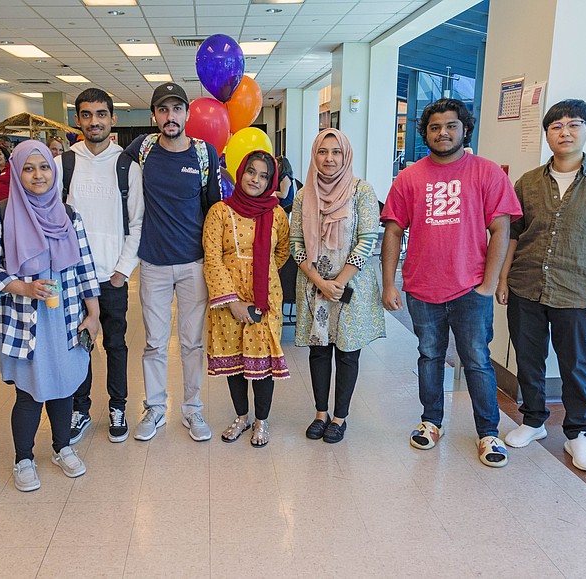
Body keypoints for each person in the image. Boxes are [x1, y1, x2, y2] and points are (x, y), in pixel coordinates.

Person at [381, 98, 522, 468]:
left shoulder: (487, 173)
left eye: (451, 126)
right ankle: (431, 421)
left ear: (465, 129)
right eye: (434, 127)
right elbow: (393, 232)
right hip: (422, 289)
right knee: (429, 357)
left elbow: (501, 229)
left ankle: (488, 431)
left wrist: (489, 284)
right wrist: (388, 285)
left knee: (476, 361)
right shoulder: (409, 178)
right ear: (424, 133)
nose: (443, 133)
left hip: (470, 290)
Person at [496, 100, 586, 472]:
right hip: (526, 286)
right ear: (547, 135)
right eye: (556, 127)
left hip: (575, 291)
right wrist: (504, 277)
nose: (565, 132)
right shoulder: (527, 182)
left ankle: (577, 434)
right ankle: (534, 421)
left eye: (574, 125)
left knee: (575, 366)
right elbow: (513, 235)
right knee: (529, 360)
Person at [0, 140, 101, 491]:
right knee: (30, 393)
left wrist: (93, 315)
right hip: (24, 319)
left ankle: (62, 447)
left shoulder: (69, 214)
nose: (37, 175)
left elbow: (85, 268)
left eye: (44, 167)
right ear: (16, 172)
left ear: (54, 170)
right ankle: (24, 459)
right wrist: (23, 288)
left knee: (64, 386)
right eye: (28, 168)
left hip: (66, 315)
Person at [124, 82, 222, 442]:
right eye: (163, 110)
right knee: (154, 341)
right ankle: (155, 408)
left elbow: (215, 210)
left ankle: (193, 410)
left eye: (176, 109)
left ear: (186, 114)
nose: (170, 116)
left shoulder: (204, 154)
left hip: (194, 264)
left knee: (193, 343)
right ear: (154, 116)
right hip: (153, 264)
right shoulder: (143, 149)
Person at [59, 88, 144, 445]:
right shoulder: (64, 164)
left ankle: (118, 406)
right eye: (87, 114)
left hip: (112, 276)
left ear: (113, 119)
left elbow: (138, 222)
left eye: (101, 114)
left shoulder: (127, 166)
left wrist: (123, 271)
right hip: (73, 278)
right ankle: (80, 408)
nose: (94, 121)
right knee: (78, 343)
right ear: (77, 120)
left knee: (116, 343)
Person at [291, 128, 385, 444]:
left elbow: (368, 239)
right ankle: (321, 413)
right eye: (322, 151)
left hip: (350, 285)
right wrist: (319, 281)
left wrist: (339, 282)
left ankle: (340, 417)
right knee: (318, 352)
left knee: (347, 353)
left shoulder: (362, 192)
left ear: (346, 156)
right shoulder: (304, 195)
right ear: (314, 155)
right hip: (314, 286)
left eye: (336, 152)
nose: (329, 158)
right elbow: (295, 242)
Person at [203, 151, 290, 447]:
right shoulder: (220, 211)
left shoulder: (276, 214)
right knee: (235, 362)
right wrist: (233, 301)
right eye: (251, 171)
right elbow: (212, 258)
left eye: (264, 175)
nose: (255, 179)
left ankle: (261, 422)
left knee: (262, 360)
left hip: (266, 300)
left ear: (271, 182)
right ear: (241, 173)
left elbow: (282, 253)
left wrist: (260, 277)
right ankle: (242, 417)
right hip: (227, 299)